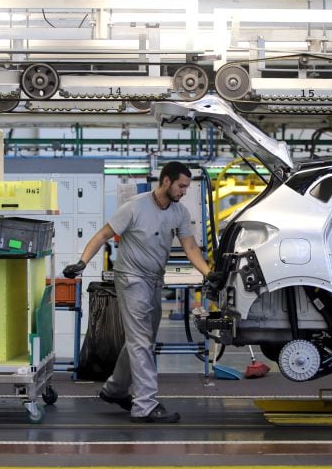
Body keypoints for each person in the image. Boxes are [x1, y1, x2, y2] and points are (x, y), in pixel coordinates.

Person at [63, 161, 224, 423]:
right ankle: (145, 405)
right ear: (166, 181)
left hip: (154, 280)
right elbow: (102, 235)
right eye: (181, 186)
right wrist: (82, 262)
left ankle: (114, 389)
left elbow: (191, 247)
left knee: (141, 338)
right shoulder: (134, 207)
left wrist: (209, 273)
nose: (184, 191)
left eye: (186, 187)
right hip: (130, 279)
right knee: (141, 340)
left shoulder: (179, 212)